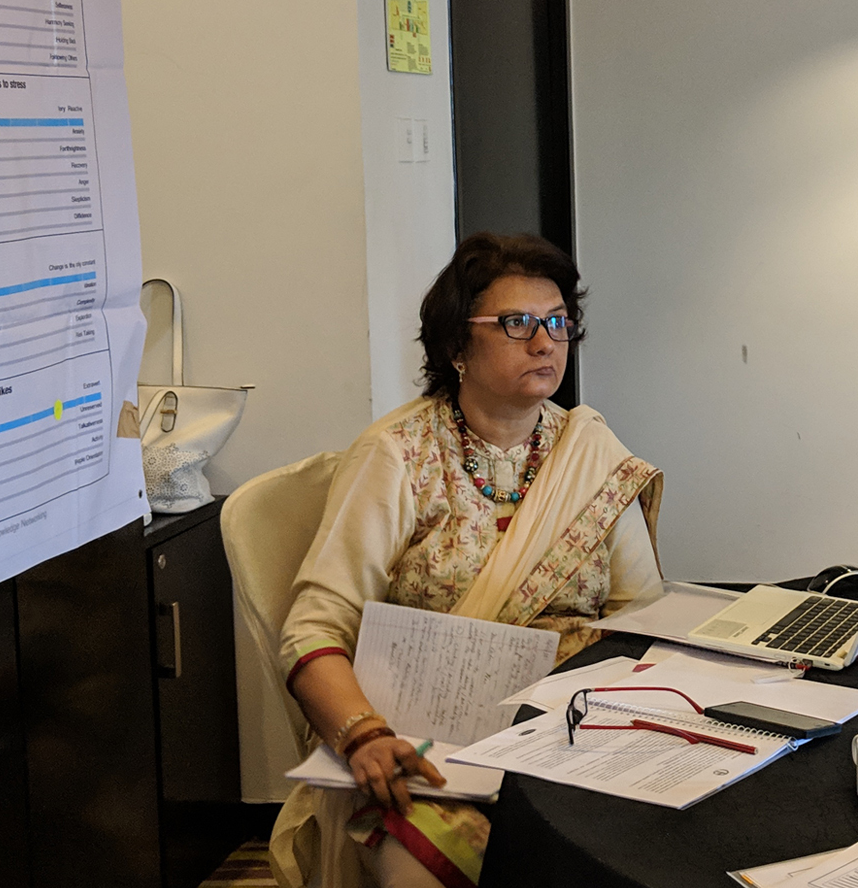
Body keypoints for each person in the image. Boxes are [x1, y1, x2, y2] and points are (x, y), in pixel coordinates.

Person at [270, 234, 664, 888]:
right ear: (457, 345)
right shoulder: (397, 456)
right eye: (517, 324)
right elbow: (313, 629)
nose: (545, 343)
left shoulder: (590, 454)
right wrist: (365, 736)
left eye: (558, 322)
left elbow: (642, 619)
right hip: (429, 749)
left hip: (573, 736)